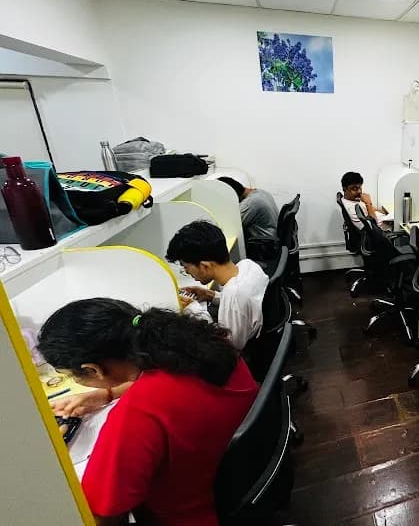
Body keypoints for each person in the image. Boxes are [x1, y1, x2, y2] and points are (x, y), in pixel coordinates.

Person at [38, 299, 258, 526]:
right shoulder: (205, 346)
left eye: (73, 376)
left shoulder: (138, 413)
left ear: (92, 369)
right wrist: (108, 394)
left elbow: (100, 515)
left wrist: (54, 451)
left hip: (189, 515)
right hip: (242, 479)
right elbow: (167, 386)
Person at [166, 220, 268, 351]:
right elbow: (243, 305)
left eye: (186, 268)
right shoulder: (248, 265)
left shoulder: (234, 294)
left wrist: (194, 309)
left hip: (243, 355)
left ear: (204, 266)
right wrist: (211, 295)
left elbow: (227, 348)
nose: (188, 273)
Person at [217, 177, 279, 245]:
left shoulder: (250, 203)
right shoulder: (261, 192)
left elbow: (231, 229)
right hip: (274, 238)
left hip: (265, 245)